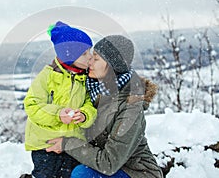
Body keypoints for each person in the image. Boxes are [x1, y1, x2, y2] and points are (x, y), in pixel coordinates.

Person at [46, 35, 164, 178]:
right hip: (105, 166)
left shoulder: (130, 107)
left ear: (112, 66)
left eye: (95, 58)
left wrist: (68, 144)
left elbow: (109, 163)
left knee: (82, 175)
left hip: (136, 172)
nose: (90, 61)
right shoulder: (92, 90)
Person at [21, 21, 97, 178]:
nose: (90, 56)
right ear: (69, 56)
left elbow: (90, 104)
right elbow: (32, 105)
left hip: (72, 143)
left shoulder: (85, 78)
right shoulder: (47, 76)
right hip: (46, 145)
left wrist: (84, 115)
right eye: (84, 54)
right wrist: (57, 114)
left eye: (89, 51)